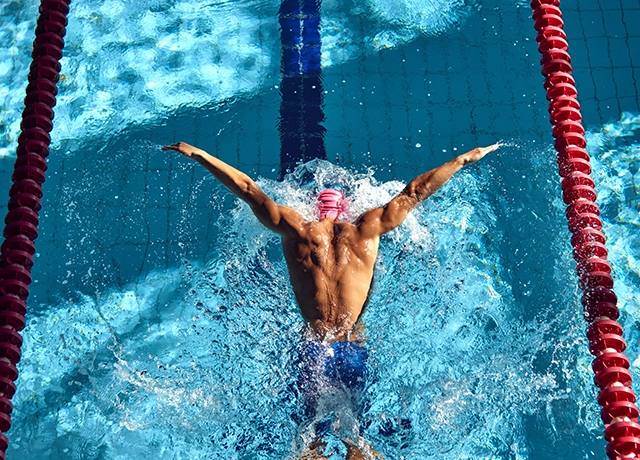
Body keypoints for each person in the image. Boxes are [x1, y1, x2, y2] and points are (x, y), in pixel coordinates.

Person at [162, 141, 499, 460]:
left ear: (316, 210)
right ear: (345, 211)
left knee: (310, 439)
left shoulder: (298, 230)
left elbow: (249, 190)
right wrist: (463, 159)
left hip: (315, 348)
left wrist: (199, 155)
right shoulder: (366, 229)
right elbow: (414, 192)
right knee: (357, 438)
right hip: (354, 347)